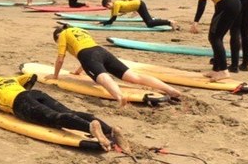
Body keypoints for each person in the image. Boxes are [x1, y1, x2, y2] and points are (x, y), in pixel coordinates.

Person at [0, 69, 129, 152]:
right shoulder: (8, 78)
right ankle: (110, 130)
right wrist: (25, 91)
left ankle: (89, 128)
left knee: (55, 118)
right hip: (34, 94)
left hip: (20, 103)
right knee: (71, 112)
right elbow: (30, 76)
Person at [50, 24, 182, 105]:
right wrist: (78, 72)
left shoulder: (63, 35)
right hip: (101, 51)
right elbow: (87, 54)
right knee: (134, 77)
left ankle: (119, 97)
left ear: (57, 36)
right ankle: (170, 90)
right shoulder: (81, 30)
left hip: (87, 55)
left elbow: (61, 58)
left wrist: (55, 76)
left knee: (102, 77)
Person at [176, 0, 241, 81]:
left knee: (215, 38)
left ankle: (223, 71)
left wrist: (196, 22)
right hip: (232, 2)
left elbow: (202, 1)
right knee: (216, 36)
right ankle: (216, 69)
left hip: (226, 4)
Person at [100, 0, 178, 29]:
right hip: (138, 6)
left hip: (139, 5)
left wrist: (105, 22)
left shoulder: (116, 4)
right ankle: (168, 22)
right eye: (107, 7)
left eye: (108, 5)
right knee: (150, 23)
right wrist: (104, 22)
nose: (108, 7)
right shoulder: (113, 9)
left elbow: (113, 18)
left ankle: (169, 22)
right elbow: (111, 20)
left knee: (150, 23)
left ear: (110, 2)